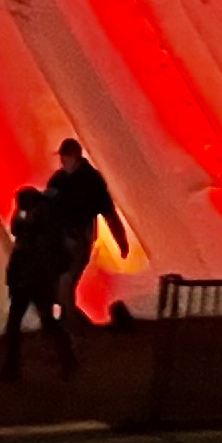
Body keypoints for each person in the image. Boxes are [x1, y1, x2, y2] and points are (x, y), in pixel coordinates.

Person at [41, 137, 132, 327]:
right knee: (62, 285)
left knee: (65, 283)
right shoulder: (60, 179)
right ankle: (73, 323)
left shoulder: (90, 181)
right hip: (61, 239)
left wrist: (121, 240)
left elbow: (109, 212)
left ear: (75, 157)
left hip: (79, 237)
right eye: (62, 157)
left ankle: (74, 326)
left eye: (66, 157)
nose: (63, 161)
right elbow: (46, 206)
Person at [0, 187, 74, 379]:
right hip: (32, 281)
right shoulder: (39, 223)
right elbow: (18, 232)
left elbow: (27, 245)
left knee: (40, 322)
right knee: (37, 322)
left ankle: (13, 367)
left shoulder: (42, 228)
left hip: (34, 281)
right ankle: (67, 361)